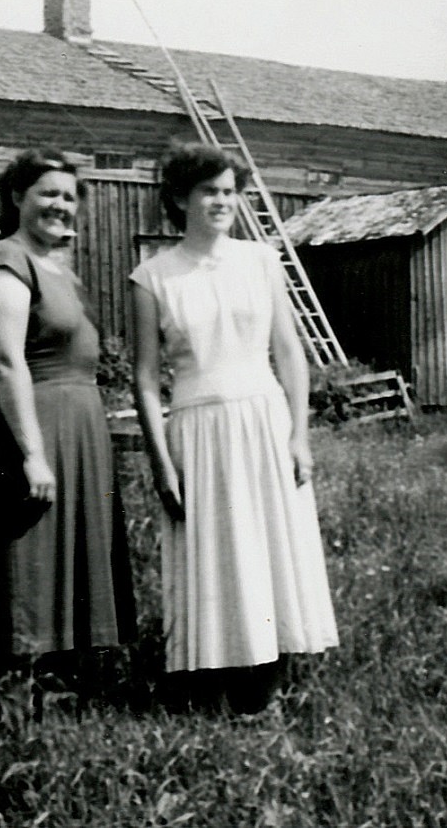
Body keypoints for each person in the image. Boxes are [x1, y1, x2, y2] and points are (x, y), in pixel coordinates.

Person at [130, 141, 338, 712]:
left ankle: (266, 693)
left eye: (230, 191)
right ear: (179, 198)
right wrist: (160, 461)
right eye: (209, 191)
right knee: (217, 554)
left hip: (264, 420)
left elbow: (290, 353)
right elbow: (146, 378)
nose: (222, 202)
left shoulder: (262, 261)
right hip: (196, 428)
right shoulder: (152, 276)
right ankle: (213, 693)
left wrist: (299, 434)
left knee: (271, 548)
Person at [0, 148, 136, 704]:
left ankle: (65, 686)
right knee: (29, 559)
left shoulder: (60, 269)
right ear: (18, 197)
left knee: (75, 555)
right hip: (34, 431)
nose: (61, 205)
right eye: (48, 194)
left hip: (80, 432)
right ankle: (15, 698)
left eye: (69, 196)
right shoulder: (6, 262)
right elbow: (7, 363)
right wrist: (33, 454)